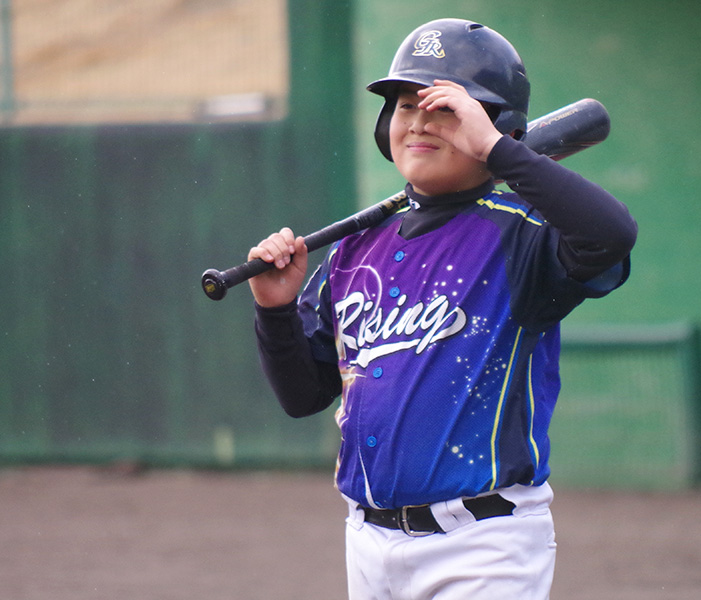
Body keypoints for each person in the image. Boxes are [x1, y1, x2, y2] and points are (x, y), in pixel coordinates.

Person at [247, 18, 637, 600]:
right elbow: (303, 396)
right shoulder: (355, 251)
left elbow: (611, 234)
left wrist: (497, 152)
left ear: (494, 127)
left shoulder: (522, 238)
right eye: (406, 105)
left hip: (484, 544)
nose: (421, 121)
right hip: (367, 542)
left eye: (446, 108)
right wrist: (275, 312)